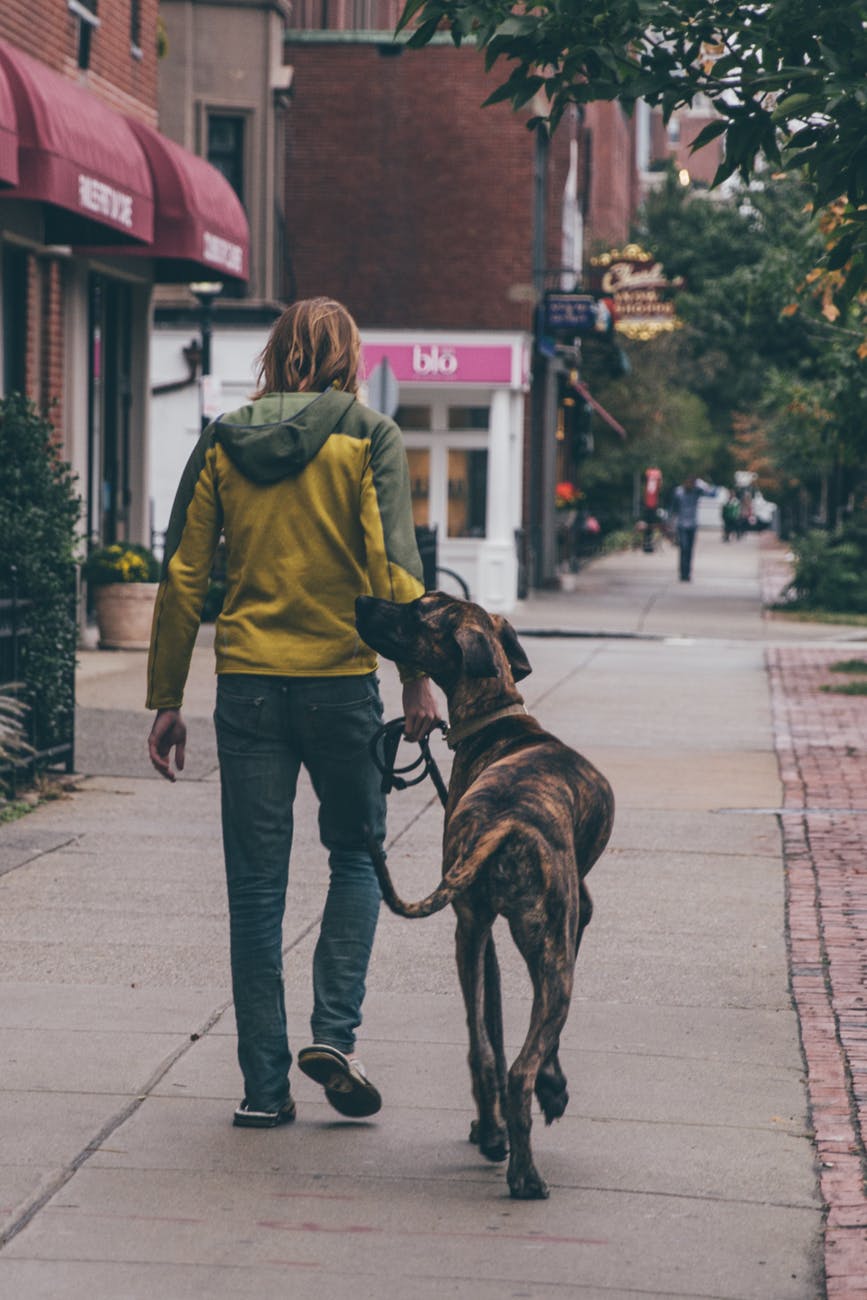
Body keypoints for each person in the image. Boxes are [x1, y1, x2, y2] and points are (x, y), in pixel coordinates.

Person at [146, 297, 440, 1129]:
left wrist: (167, 696)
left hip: (246, 688)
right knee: (355, 855)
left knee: (255, 890)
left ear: (279, 354)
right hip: (342, 685)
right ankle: (334, 1038)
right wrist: (415, 675)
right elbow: (394, 566)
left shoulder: (223, 438)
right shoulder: (367, 436)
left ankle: (263, 1091)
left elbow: (183, 575)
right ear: (348, 356)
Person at [671, 473, 714, 581]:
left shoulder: (696, 492)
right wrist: (671, 524)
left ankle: (688, 573)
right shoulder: (679, 492)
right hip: (681, 525)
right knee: (684, 549)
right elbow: (673, 509)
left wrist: (700, 483)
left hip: (692, 525)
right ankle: (682, 573)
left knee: (689, 550)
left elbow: (711, 493)